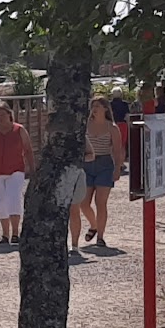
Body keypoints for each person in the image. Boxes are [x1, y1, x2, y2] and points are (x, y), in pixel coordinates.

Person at [73, 95, 125, 250]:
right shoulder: (85, 125)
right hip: (87, 164)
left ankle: (100, 237)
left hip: (104, 165)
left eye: (97, 106)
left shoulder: (112, 128)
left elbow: (117, 150)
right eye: (92, 106)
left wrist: (117, 168)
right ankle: (94, 225)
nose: (94, 109)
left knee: (100, 202)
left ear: (105, 108)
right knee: (83, 203)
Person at [0, 99, 31, 245]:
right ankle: (5, 234)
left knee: (13, 198)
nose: (0, 119)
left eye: (3, 115)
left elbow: (28, 149)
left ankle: (16, 233)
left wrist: (33, 167)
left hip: (15, 169)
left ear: (9, 115)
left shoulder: (19, 130)